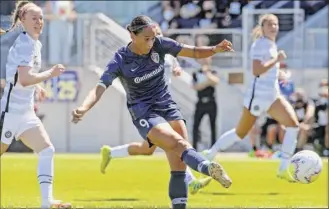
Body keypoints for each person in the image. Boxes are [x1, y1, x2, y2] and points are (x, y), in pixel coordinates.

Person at [72, 15, 233, 209]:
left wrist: (214, 49)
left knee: (179, 167)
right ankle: (208, 168)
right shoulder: (120, 59)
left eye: (153, 37)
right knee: (178, 143)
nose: (151, 42)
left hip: (168, 106)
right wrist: (84, 107)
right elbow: (99, 87)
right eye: (146, 38)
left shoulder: (160, 44)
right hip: (144, 113)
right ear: (132, 35)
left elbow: (193, 52)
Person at [99, 24, 212, 195]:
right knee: (173, 143)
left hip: (164, 104)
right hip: (149, 107)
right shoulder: (142, 55)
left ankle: (111, 153)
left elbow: (173, 62)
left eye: (156, 35)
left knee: (148, 149)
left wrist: (176, 68)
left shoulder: (165, 50)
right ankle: (190, 181)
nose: (154, 39)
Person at [202, 14, 300, 182]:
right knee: (240, 133)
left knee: (293, 125)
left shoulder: (271, 44)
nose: (274, 27)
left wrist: (279, 73)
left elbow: (267, 70)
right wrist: (277, 59)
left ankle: (283, 168)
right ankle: (210, 153)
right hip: (258, 97)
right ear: (262, 28)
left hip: (272, 95)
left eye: (276, 24)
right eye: (270, 24)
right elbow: (257, 71)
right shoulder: (259, 44)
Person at [0, 1, 71, 208]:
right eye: (34, 18)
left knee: (47, 150)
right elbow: (23, 79)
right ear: (22, 20)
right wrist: (50, 74)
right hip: (10, 112)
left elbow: (23, 78)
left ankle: (46, 202)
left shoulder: (34, 43)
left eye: (41, 18)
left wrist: (37, 87)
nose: (39, 22)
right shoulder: (25, 44)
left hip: (26, 112)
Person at [192, 57, 219, 151]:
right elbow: (195, 86)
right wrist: (208, 82)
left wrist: (207, 74)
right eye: (203, 59)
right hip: (200, 102)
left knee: (212, 125)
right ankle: (194, 147)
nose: (204, 60)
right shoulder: (196, 73)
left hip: (211, 102)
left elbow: (216, 81)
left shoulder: (213, 71)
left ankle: (213, 148)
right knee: (196, 125)